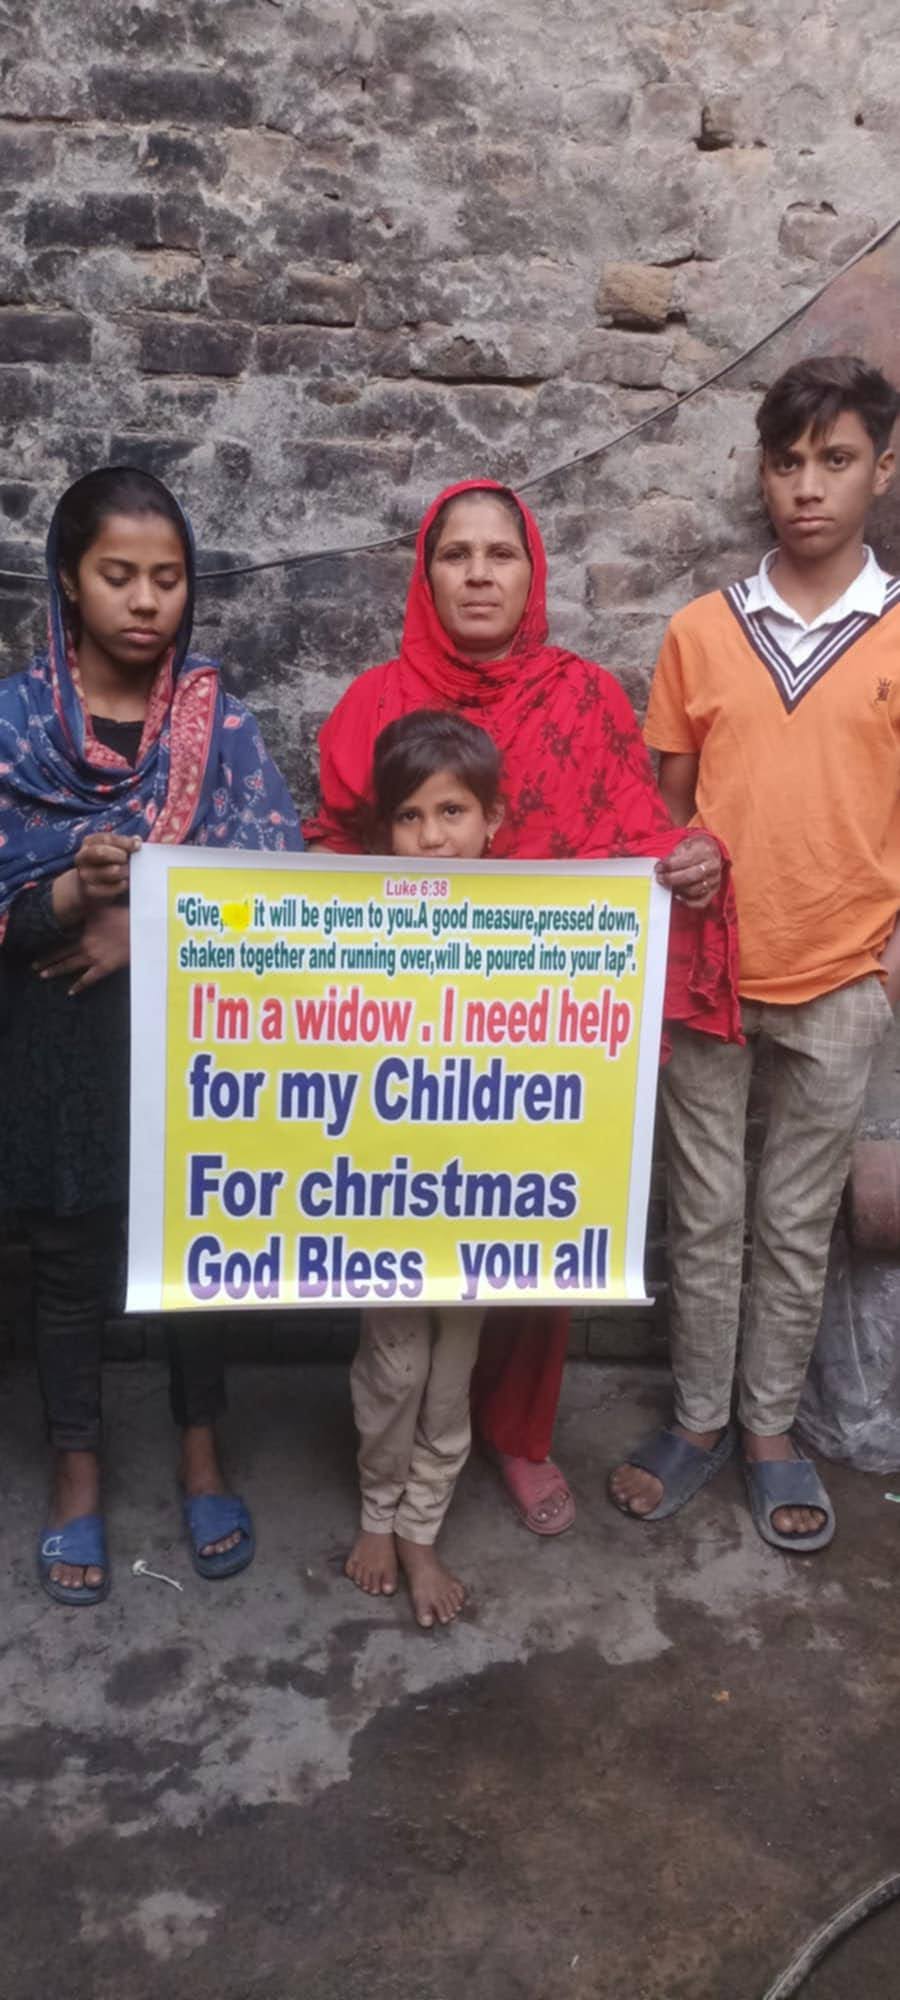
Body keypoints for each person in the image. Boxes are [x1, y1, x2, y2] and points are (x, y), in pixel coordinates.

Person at [305, 478, 739, 1537]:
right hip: (405, 1029)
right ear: (427, 574)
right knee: (405, 1235)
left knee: (535, 1238)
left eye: (501, 554)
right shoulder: (375, 702)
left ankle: (517, 1434)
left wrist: (690, 860)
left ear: (532, 573)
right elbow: (324, 853)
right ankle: (396, 1460)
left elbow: (634, 833)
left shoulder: (582, 695)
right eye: (456, 555)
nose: (479, 574)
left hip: (544, 1032)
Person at [610, 354, 900, 1552]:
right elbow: (666, 805)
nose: (808, 487)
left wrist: (889, 959)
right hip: (708, 974)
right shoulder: (702, 632)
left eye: (836, 459)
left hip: (844, 975)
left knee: (796, 1219)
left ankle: (771, 1425)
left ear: (884, 469)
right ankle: (697, 1417)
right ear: (762, 474)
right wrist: (682, 855)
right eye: (787, 462)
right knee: (703, 1209)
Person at [0, 465, 302, 1604]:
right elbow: (10, 906)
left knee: (196, 1253)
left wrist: (147, 925)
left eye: (166, 578)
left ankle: (201, 1453)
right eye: (117, 574)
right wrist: (73, 895)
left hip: (193, 1036)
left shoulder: (217, 727)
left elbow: (273, 888)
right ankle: (76, 1471)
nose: (144, 600)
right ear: (68, 582)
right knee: (68, 1258)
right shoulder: (15, 727)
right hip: (57, 1037)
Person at [345, 708, 504, 1627]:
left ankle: (421, 1526)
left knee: (452, 1371)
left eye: (452, 812)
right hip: (387, 1192)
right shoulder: (359, 926)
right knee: (394, 1365)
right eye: (409, 817)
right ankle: (378, 1511)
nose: (432, 837)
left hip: (484, 1196)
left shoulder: (536, 929)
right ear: (383, 832)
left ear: (492, 822)